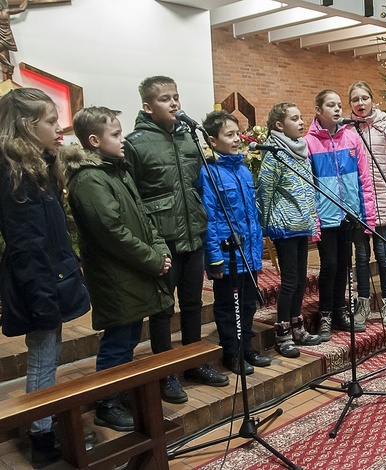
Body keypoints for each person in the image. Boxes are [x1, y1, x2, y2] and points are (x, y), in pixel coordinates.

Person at [63, 106, 180, 433]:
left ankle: (120, 390)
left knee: (128, 337)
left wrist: (160, 247)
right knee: (117, 340)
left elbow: (142, 217)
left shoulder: (117, 170)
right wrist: (153, 259)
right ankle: (106, 404)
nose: (123, 139)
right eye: (115, 134)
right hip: (115, 276)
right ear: (94, 140)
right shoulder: (88, 179)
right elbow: (112, 232)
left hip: (132, 273)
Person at [124, 76, 228, 404]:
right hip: (162, 239)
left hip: (193, 233)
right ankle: (165, 371)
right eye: (165, 99)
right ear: (147, 106)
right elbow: (133, 198)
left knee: (194, 303)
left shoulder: (188, 139)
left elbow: (199, 185)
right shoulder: (135, 143)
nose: (173, 104)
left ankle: (194, 362)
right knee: (162, 308)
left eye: (176, 97)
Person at [0, 88, 90, 466]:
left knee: (46, 356)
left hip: (50, 277)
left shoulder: (36, 165)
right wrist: (43, 300)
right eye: (52, 121)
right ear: (26, 124)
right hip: (39, 283)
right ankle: (42, 436)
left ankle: (43, 423)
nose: (60, 129)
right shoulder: (16, 173)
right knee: (42, 359)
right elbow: (26, 247)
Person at [198, 110, 270, 374]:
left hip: (248, 252)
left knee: (248, 304)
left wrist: (256, 249)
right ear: (212, 141)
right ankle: (232, 352)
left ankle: (247, 348)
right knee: (229, 307)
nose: (237, 139)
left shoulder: (241, 168)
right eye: (229, 135)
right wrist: (214, 256)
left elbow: (251, 214)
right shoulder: (209, 173)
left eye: (237, 133)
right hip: (227, 255)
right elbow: (211, 218)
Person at [304, 89, 376, 340]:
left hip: (349, 214)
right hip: (326, 217)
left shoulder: (353, 139)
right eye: (330, 105)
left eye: (338, 105)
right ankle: (324, 314)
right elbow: (308, 187)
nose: (337, 110)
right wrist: (314, 221)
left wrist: (367, 216)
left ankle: (339, 311)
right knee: (330, 265)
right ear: (318, 110)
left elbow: (364, 180)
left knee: (345, 265)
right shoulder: (309, 142)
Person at [257, 103, 322, 355]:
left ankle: (297, 325)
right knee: (289, 281)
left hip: (302, 224)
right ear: (279, 125)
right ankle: (282, 333)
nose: (301, 122)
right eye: (294, 119)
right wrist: (267, 224)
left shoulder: (301, 149)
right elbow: (265, 191)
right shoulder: (274, 153)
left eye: (301, 117)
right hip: (284, 226)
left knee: (300, 280)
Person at [347, 81, 386, 327]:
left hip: (381, 200)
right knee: (361, 256)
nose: (360, 103)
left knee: (383, 254)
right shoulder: (347, 130)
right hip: (358, 202)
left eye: (364, 98)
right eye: (355, 99)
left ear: (372, 100)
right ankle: (363, 305)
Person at [0, 0, 27, 80]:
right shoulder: (7, 11)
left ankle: (9, 65)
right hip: (8, 37)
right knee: (3, 53)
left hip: (2, 38)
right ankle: (8, 66)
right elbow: (22, 8)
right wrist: (27, 1)